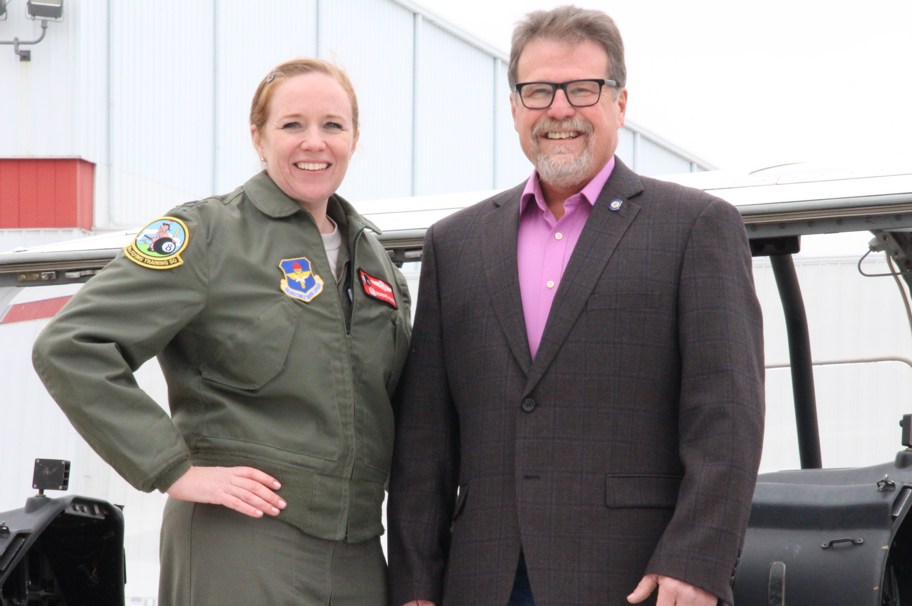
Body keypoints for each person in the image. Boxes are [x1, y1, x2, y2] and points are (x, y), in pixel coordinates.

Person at [387, 6, 764, 606]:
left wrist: (697, 562)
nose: (559, 109)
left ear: (618, 102)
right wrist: (414, 586)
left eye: (581, 89)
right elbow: (425, 441)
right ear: (514, 108)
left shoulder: (695, 227)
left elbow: (726, 415)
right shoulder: (454, 244)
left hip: (638, 578)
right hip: (481, 579)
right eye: (538, 91)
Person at [32, 58, 411, 606]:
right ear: (258, 137)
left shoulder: (376, 260)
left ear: (355, 138)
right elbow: (72, 347)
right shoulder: (206, 235)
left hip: (357, 550)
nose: (314, 142)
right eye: (291, 125)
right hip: (242, 538)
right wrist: (173, 469)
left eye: (333, 125)